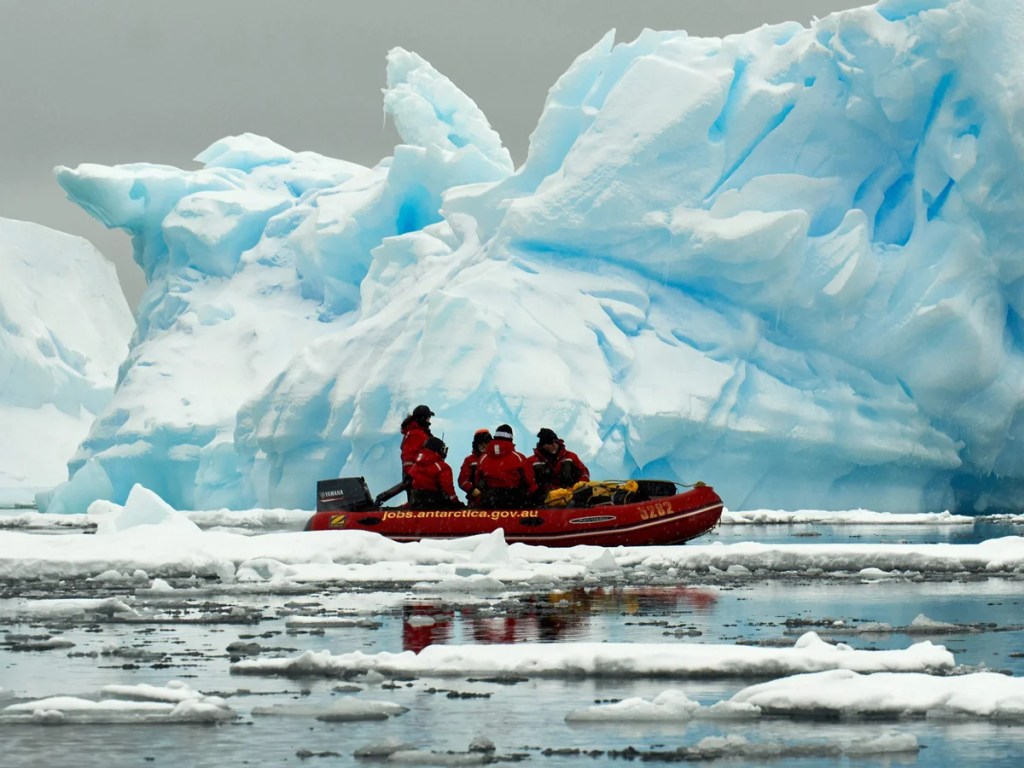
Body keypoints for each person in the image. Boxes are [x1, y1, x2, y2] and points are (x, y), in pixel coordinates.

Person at [375, 403, 434, 507]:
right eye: (428, 417)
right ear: (423, 418)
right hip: (417, 474)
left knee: (417, 501)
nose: (429, 420)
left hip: (414, 473)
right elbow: (409, 456)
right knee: (419, 503)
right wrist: (412, 474)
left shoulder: (413, 433)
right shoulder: (417, 434)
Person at [475, 424, 537, 509]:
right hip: (516, 501)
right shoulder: (519, 458)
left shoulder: (483, 458)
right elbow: (529, 481)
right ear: (511, 439)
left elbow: (478, 480)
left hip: (489, 501)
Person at [407, 436, 462, 510]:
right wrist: (456, 502)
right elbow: (448, 488)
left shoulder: (416, 465)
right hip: (434, 504)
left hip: (415, 501)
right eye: (443, 450)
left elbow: (409, 480)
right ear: (437, 450)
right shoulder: (442, 467)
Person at [531, 428, 590, 495]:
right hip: (548, 498)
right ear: (543, 445)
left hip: (573, 494)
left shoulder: (570, 456)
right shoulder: (532, 462)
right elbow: (531, 484)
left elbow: (583, 471)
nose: (554, 445)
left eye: (555, 441)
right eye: (550, 443)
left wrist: (582, 483)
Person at [458, 428, 492, 506]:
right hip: (476, 502)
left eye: (486, 442)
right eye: (480, 443)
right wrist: (473, 490)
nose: (483, 445)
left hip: (494, 500)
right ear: (476, 445)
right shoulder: (469, 460)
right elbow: (462, 481)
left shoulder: (495, 459)